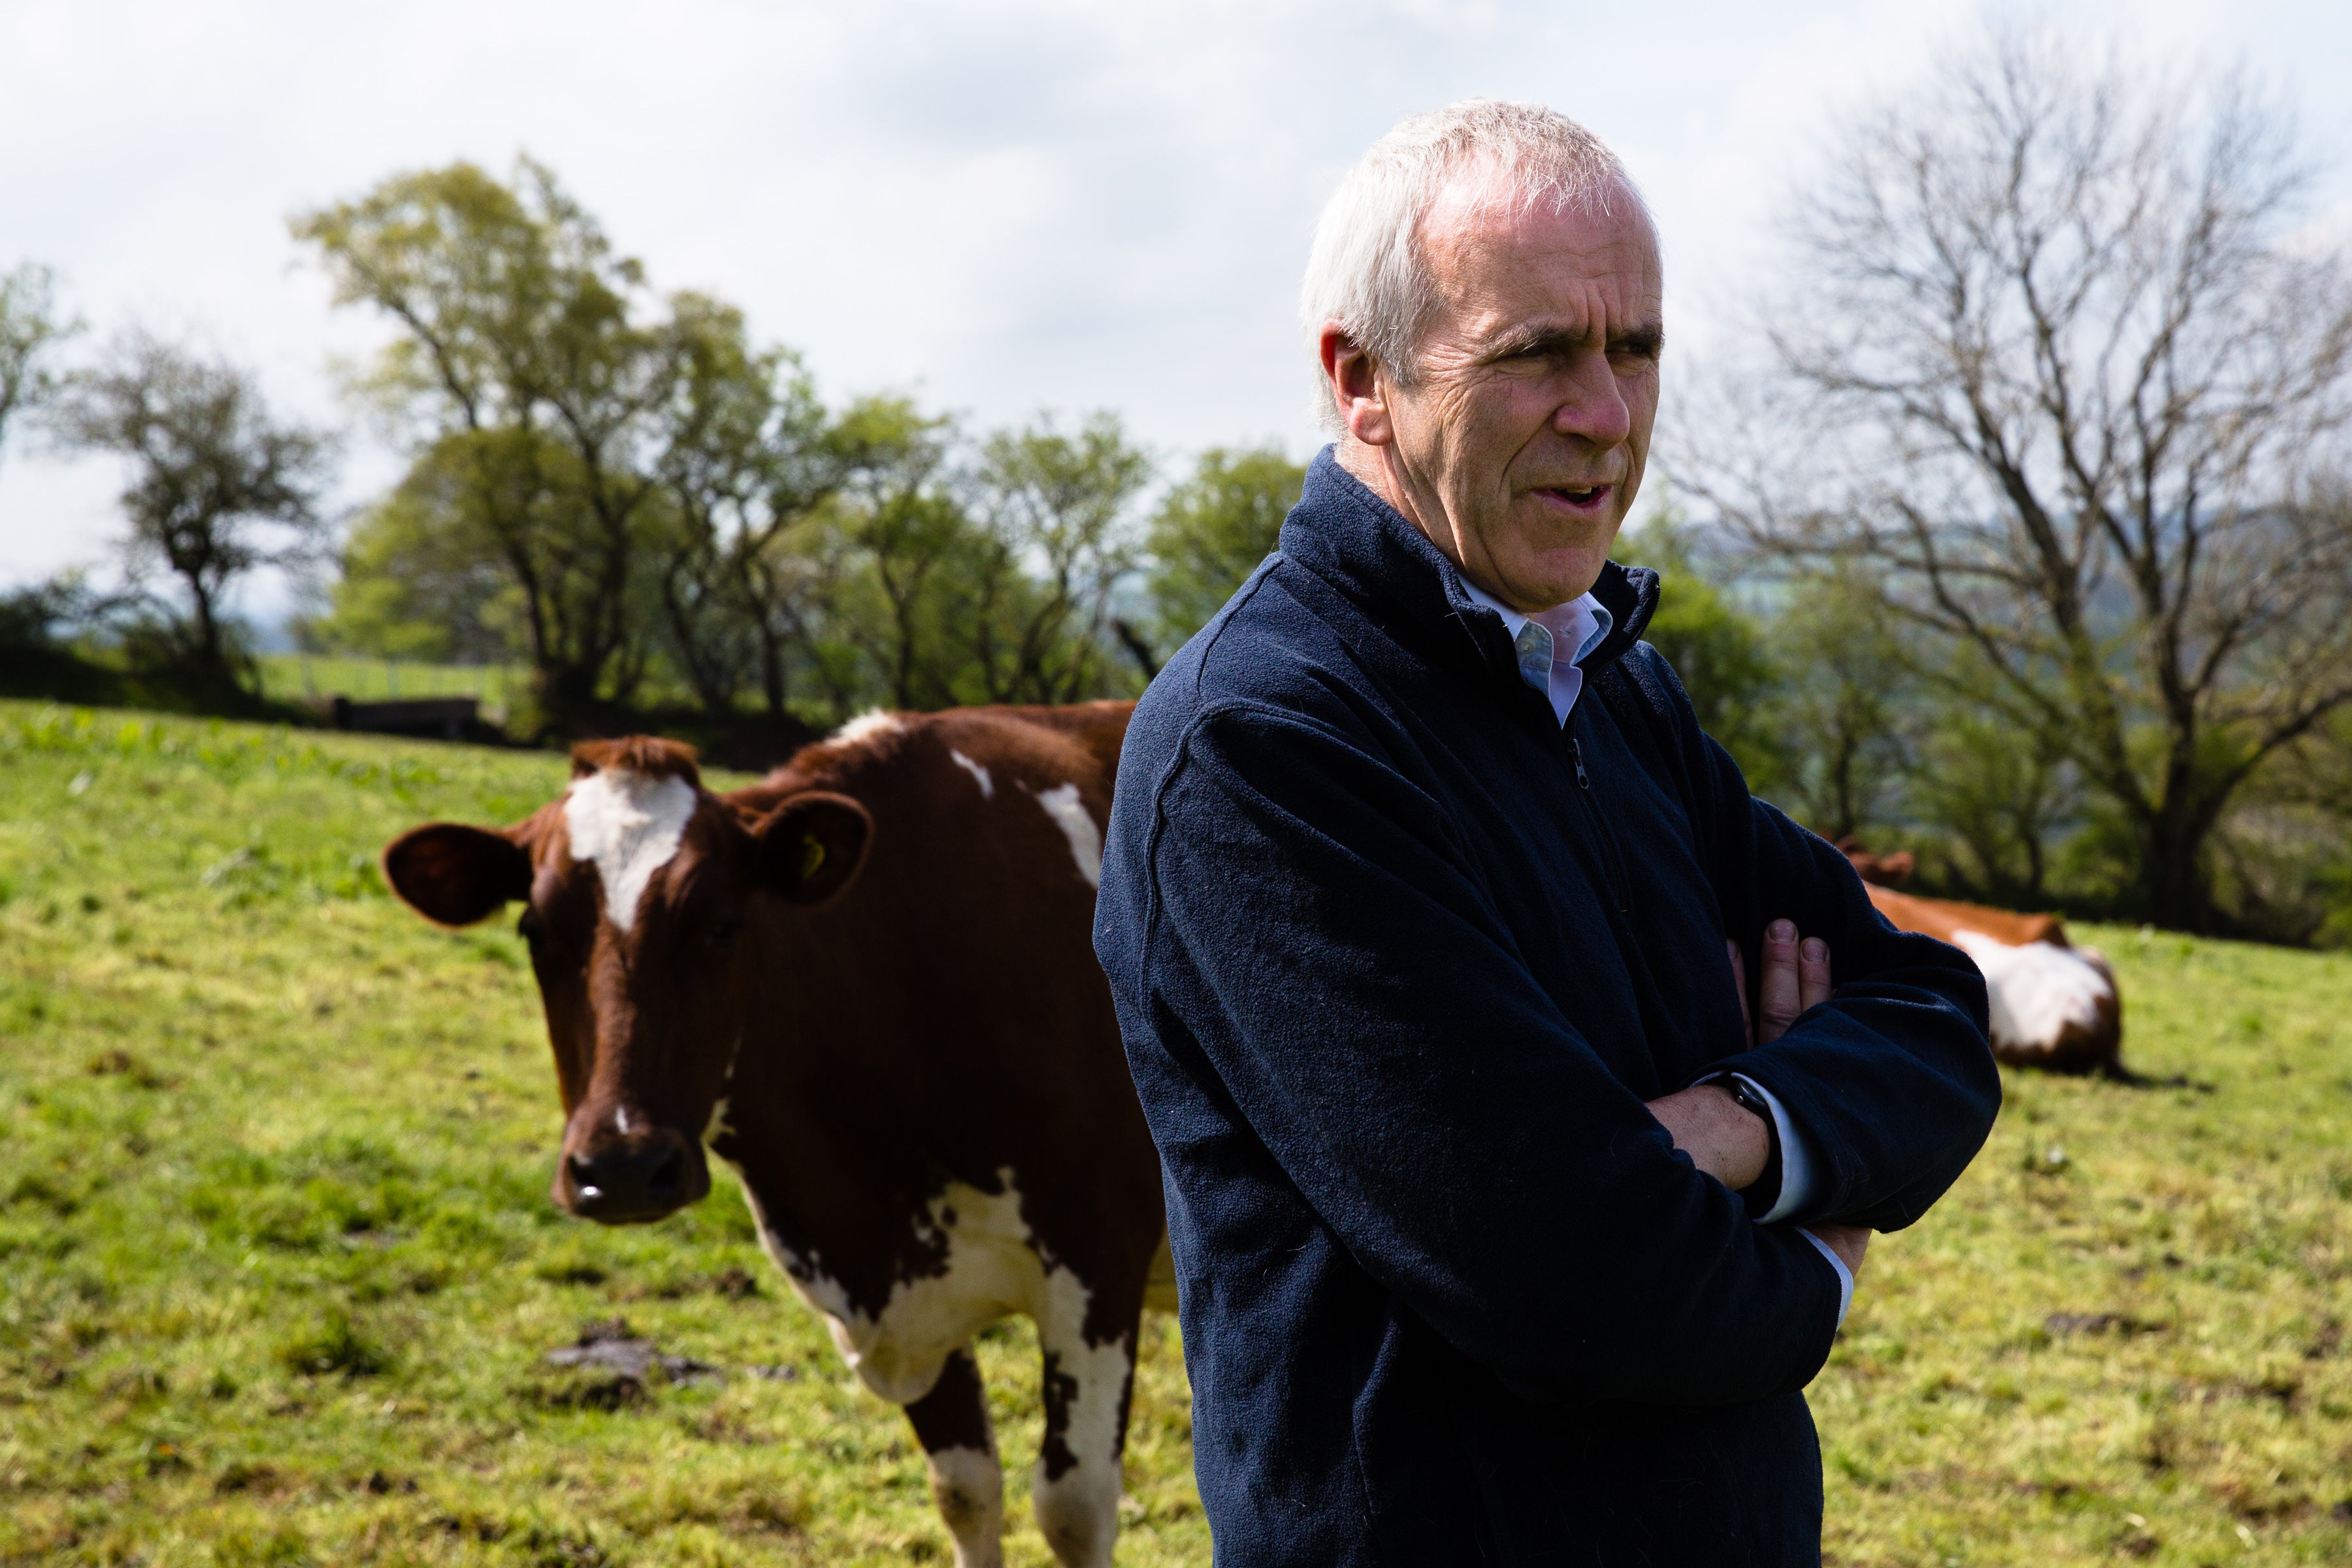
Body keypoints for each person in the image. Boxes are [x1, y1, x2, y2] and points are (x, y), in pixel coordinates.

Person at [1091, 99, 2001, 1566]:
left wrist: (1731, 1129)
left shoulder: (1612, 689)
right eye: (1537, 355)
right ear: (1362, 381)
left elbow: (1939, 1019)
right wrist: (1819, 1268)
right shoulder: (1265, 748)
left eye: (1635, 347)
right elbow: (1574, 1275)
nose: (1610, 414)